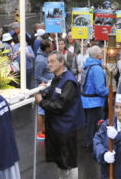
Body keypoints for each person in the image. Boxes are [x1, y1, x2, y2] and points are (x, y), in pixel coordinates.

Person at [35, 51, 85, 179]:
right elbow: (55, 98)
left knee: (68, 163)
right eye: (48, 62)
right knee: (61, 162)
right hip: (58, 128)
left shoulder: (68, 81)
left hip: (66, 129)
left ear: (62, 62)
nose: (49, 64)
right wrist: (45, 95)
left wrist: (41, 101)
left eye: (52, 61)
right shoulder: (58, 78)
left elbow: (60, 105)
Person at [81, 45, 109, 151]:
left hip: (86, 100)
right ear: (98, 55)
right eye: (101, 53)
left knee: (89, 123)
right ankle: (91, 144)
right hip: (94, 101)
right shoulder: (97, 68)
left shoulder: (87, 65)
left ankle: (88, 142)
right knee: (93, 124)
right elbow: (100, 88)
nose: (103, 54)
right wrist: (109, 92)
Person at [35, 39, 54, 140]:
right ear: (46, 48)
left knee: (45, 109)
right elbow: (37, 76)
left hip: (46, 87)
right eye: (51, 46)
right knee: (41, 110)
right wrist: (48, 82)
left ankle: (43, 129)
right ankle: (39, 132)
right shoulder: (41, 60)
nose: (52, 47)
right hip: (43, 88)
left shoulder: (45, 57)